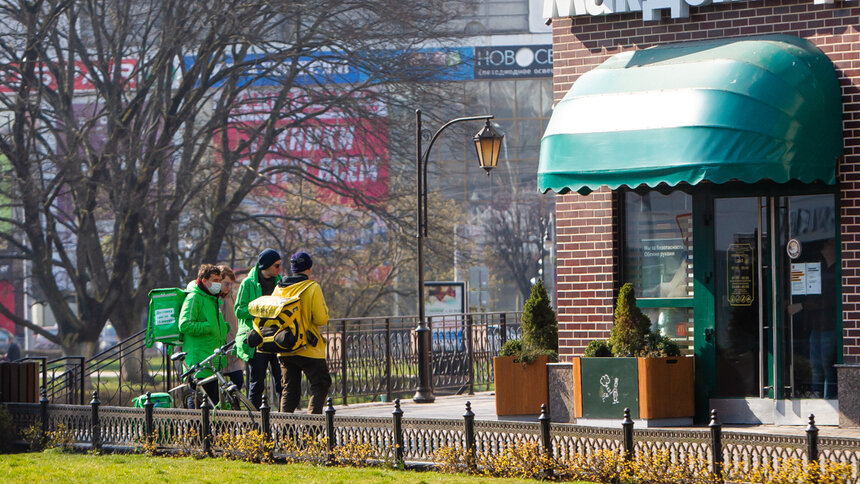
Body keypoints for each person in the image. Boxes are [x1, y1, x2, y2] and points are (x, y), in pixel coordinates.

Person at [277, 251, 331, 414]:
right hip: (308, 347)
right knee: (320, 384)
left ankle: (285, 434)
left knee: (290, 390)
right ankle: (310, 432)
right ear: (309, 268)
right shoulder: (312, 287)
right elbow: (321, 319)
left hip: (284, 346)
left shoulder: (279, 288)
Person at [234, 248, 284, 409]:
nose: (279, 269)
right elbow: (239, 310)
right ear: (266, 266)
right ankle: (254, 427)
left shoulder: (280, 281)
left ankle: (286, 424)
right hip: (257, 340)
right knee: (256, 385)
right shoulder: (248, 283)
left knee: (282, 383)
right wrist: (261, 309)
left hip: (276, 338)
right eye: (276, 266)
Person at [178, 264, 229, 407]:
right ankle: (192, 429)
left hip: (211, 360)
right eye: (215, 280)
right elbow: (184, 324)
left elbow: (214, 324)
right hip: (198, 360)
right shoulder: (194, 297)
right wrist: (208, 327)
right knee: (198, 403)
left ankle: (209, 429)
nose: (218, 284)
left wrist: (223, 328)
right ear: (204, 280)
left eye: (219, 280)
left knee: (213, 404)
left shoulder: (212, 298)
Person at [218, 265, 244, 391]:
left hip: (232, 349)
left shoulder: (233, 297)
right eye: (226, 284)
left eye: (231, 284)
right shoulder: (212, 298)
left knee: (238, 381)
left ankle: (233, 407)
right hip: (217, 351)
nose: (229, 287)